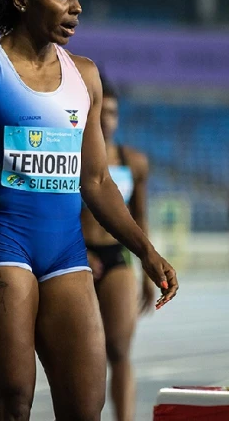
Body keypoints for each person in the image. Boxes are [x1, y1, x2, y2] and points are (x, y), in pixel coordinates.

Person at [0, 0, 178, 420]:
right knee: (14, 401)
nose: (76, 7)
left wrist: (145, 249)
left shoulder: (86, 76)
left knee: (86, 405)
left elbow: (97, 181)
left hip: (66, 254)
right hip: (1, 248)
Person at [79, 77, 154, 421]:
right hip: (76, 257)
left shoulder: (133, 162)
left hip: (117, 256)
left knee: (120, 350)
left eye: (113, 112)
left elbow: (139, 217)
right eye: (101, 111)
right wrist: (80, 251)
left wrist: (147, 271)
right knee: (81, 354)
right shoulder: (73, 158)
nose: (107, 119)